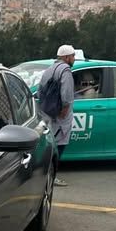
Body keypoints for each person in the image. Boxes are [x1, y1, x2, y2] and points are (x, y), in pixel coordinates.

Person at [38, 45, 76, 187]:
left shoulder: (50, 69)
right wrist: (65, 107)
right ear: (66, 57)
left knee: (51, 141)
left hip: (49, 111)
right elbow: (67, 92)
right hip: (60, 114)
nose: (74, 59)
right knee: (59, 144)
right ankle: (51, 175)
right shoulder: (65, 71)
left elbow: (41, 90)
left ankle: (47, 173)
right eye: (72, 56)